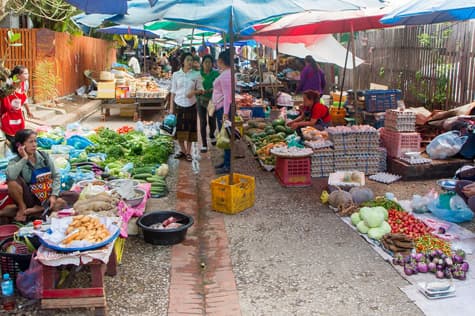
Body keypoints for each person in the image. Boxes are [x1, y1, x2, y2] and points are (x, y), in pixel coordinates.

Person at [6, 129, 78, 222]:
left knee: (74, 196)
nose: (34, 144)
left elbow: (56, 175)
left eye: (35, 141)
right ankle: (22, 207)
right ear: (20, 145)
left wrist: (53, 195)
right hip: (31, 197)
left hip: (47, 194)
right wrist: (24, 159)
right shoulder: (15, 161)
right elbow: (11, 176)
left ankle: (39, 209)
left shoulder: (44, 156)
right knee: (12, 182)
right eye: (31, 142)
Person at [170, 52, 204, 162]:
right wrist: (171, 109)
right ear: (183, 61)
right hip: (178, 104)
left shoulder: (196, 74)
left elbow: (201, 90)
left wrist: (193, 92)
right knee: (178, 130)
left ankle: (188, 152)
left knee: (190, 130)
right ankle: (183, 150)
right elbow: (173, 92)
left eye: (191, 60)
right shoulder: (176, 75)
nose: (190, 62)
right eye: (188, 60)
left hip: (191, 105)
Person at [1, 66, 35, 148]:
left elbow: (25, 98)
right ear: (17, 76)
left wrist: (28, 111)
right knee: (9, 133)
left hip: (18, 113)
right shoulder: (8, 84)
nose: (28, 75)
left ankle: (19, 147)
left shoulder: (25, 84)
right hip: (6, 113)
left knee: (20, 133)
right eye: (25, 73)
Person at [212, 50, 232, 174]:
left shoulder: (226, 75)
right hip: (221, 109)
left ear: (221, 61)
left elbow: (227, 96)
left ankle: (228, 165)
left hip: (223, 110)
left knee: (225, 137)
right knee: (224, 135)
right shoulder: (226, 73)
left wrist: (225, 113)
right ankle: (225, 161)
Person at [197, 55, 220, 153]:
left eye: (209, 62)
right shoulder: (198, 74)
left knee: (212, 121)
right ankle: (204, 144)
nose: (207, 64)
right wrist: (199, 91)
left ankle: (211, 134)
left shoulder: (216, 74)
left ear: (212, 64)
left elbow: (219, 86)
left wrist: (213, 89)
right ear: (202, 63)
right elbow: (194, 86)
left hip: (212, 101)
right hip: (200, 100)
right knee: (203, 122)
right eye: (205, 62)